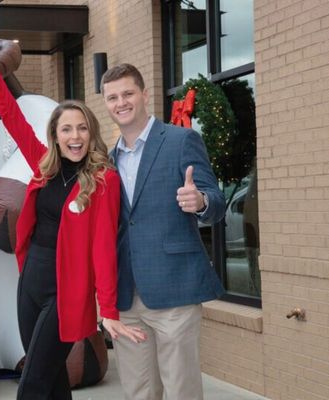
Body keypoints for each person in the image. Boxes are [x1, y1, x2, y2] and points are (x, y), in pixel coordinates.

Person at [0, 22, 146, 400]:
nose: (74, 137)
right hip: (30, 286)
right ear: (55, 135)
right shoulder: (42, 165)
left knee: (32, 384)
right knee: (52, 384)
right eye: (66, 129)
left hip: (66, 294)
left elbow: (103, 248)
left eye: (82, 128)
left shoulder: (104, 181)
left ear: (91, 133)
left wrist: (109, 309)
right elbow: (11, 117)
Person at [101, 63, 226, 400]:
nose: (121, 102)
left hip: (174, 290)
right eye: (112, 97)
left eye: (127, 93)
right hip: (127, 296)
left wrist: (199, 200)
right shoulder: (107, 161)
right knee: (139, 391)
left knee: (180, 390)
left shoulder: (181, 140)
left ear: (144, 94)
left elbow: (216, 203)